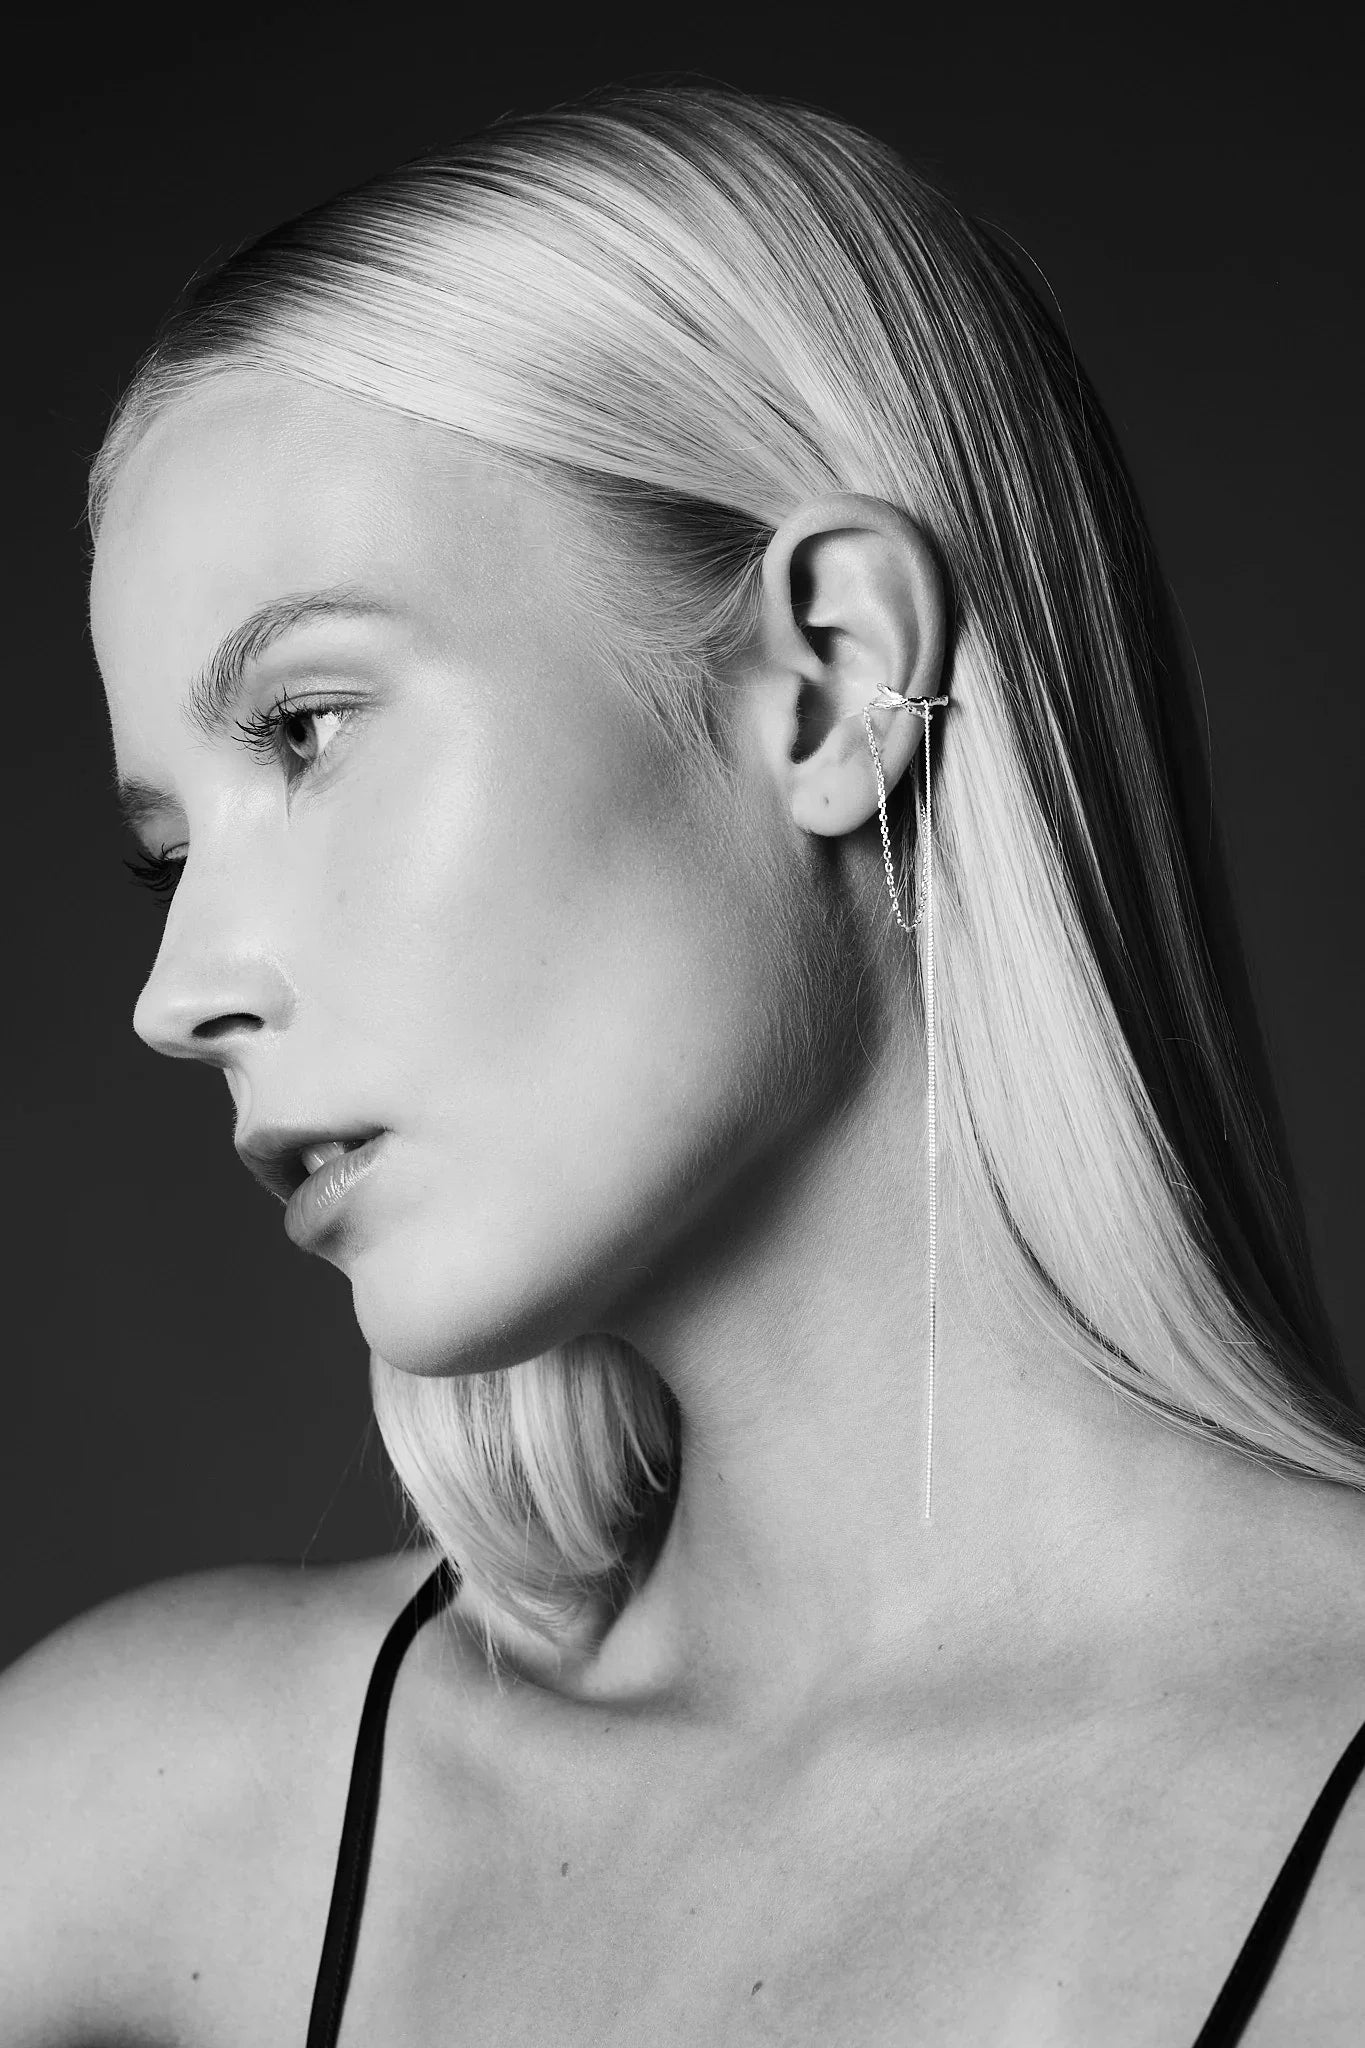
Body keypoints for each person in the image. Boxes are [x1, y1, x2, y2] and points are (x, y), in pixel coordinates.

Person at [1, 81, 1362, 2046]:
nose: (178, 984)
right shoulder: (156, 1814)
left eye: (304, 727)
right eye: (169, 846)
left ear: (826, 676)